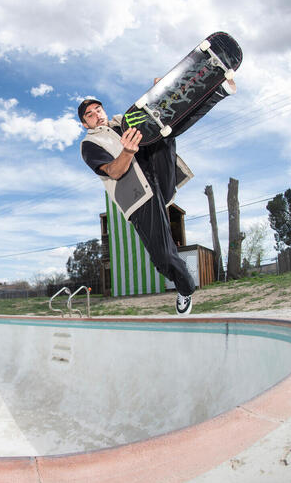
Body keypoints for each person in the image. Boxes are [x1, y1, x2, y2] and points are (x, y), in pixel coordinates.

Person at [79, 90, 213, 316]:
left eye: (98, 110)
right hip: (138, 196)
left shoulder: (125, 120)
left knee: (164, 129)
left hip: (160, 176)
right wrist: (127, 152)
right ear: (85, 124)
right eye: (90, 115)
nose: (97, 115)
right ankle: (185, 288)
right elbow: (113, 171)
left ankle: (217, 92)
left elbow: (158, 113)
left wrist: (164, 94)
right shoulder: (90, 144)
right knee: (162, 257)